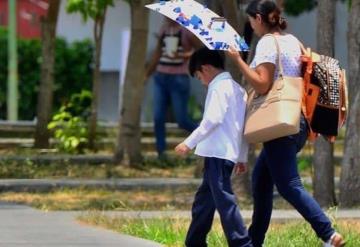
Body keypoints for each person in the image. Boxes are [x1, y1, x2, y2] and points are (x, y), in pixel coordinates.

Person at [226, 1, 345, 247]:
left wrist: (238, 61)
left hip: (280, 124)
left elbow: (262, 84)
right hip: (297, 121)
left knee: (290, 186)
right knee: (261, 180)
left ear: (259, 18)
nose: (251, 25)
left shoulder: (268, 43)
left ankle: (329, 234)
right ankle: (253, 241)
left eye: (251, 21)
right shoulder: (292, 40)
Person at [175, 47, 253, 247]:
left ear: (206, 68)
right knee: (204, 202)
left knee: (225, 202)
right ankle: (195, 242)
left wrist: (188, 142)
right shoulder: (238, 89)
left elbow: (212, 120)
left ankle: (242, 243)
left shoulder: (218, 87)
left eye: (199, 76)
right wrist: (242, 157)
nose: (201, 81)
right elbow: (243, 127)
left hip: (217, 153)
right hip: (225, 154)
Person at [146, 17, 201, 158]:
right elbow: (158, 52)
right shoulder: (164, 29)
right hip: (160, 76)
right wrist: (147, 74)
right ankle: (161, 152)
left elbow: (199, 50)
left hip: (179, 77)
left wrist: (183, 54)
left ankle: (204, 136)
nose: (165, 17)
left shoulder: (186, 30)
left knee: (181, 120)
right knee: (158, 117)